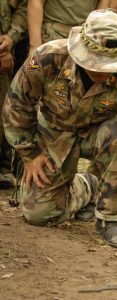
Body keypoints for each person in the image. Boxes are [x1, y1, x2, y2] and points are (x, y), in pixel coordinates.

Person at [3, 9, 117, 248]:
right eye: (96, 62)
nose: (102, 71)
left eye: (109, 65)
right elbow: (17, 103)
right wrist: (30, 154)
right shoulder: (47, 57)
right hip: (54, 134)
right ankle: (89, 186)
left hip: (100, 133)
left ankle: (109, 219)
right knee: (38, 215)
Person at [0, 0, 27, 188]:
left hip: (9, 46)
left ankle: (5, 167)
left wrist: (8, 40)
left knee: (7, 107)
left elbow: (24, 6)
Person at [27, 0, 111, 55]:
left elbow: (102, 7)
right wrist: (35, 45)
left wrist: (94, 40)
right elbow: (35, 2)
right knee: (39, 76)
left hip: (83, 39)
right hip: (51, 37)